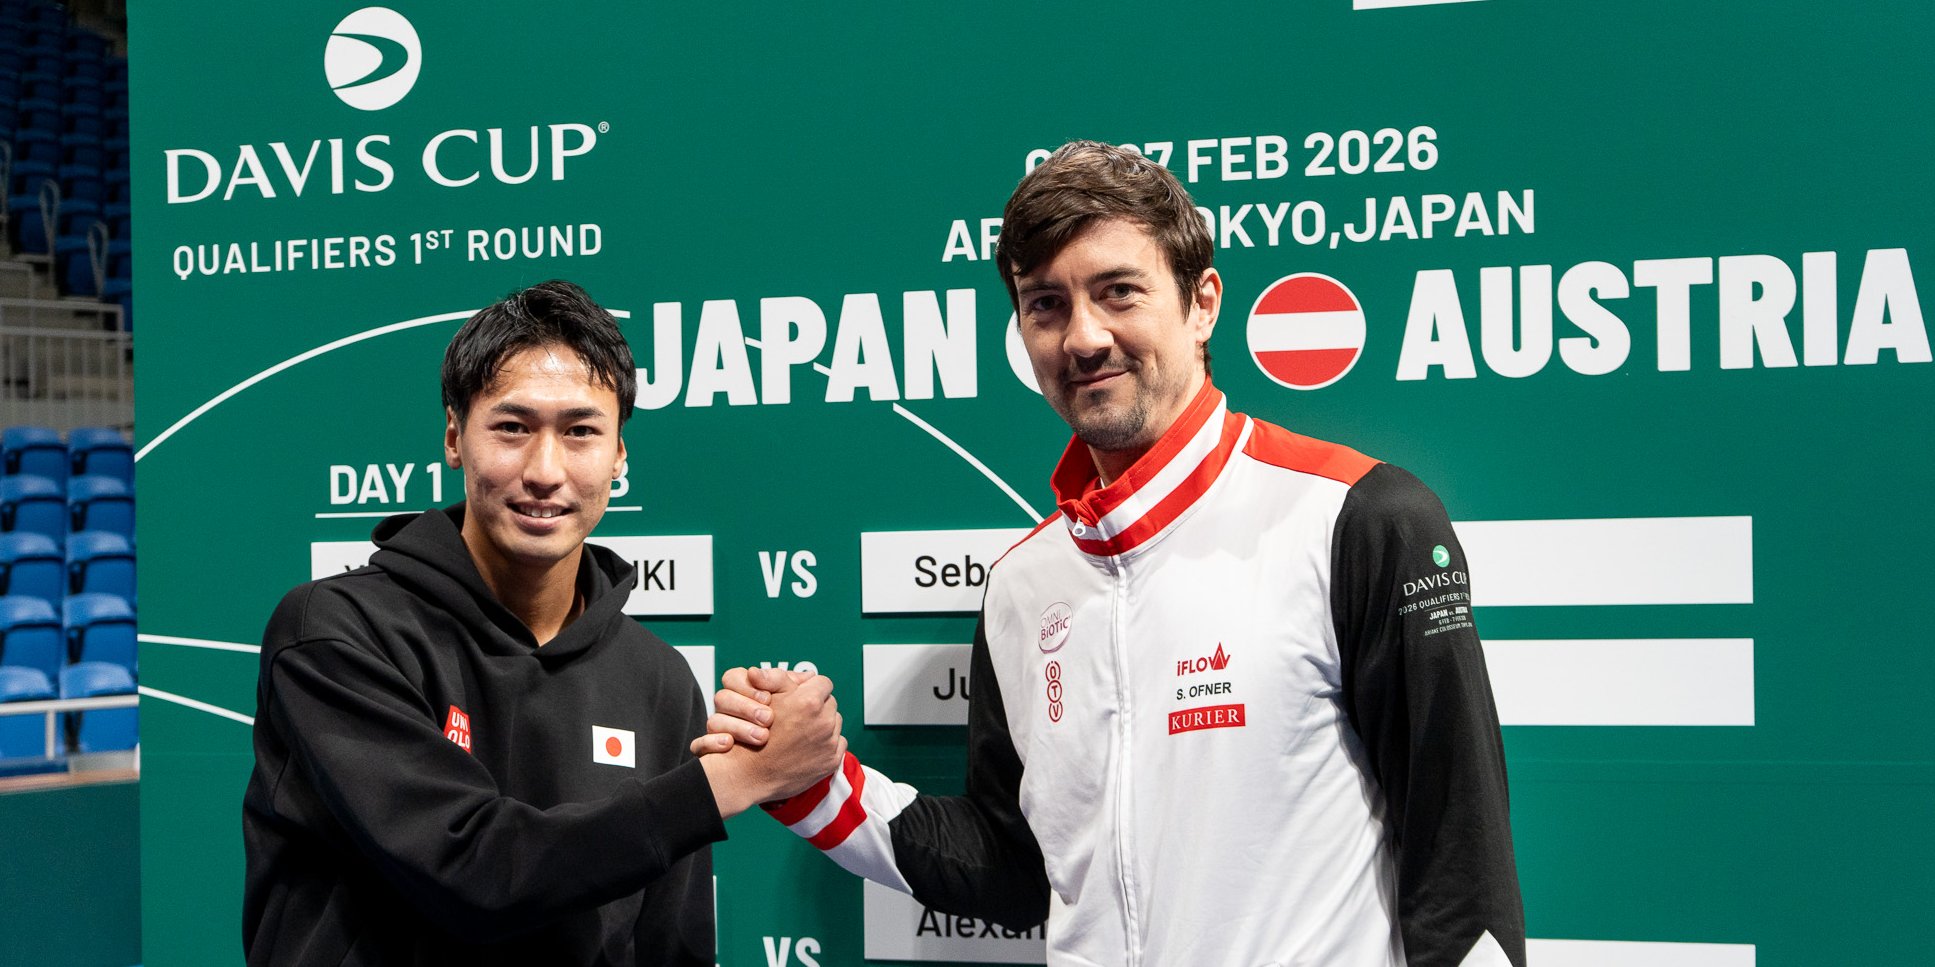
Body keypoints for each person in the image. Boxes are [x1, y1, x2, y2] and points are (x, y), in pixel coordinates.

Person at [700, 142, 1526, 966]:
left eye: (1118, 292)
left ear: (1202, 304)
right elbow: (1014, 867)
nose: (1084, 337)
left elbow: (1460, 871)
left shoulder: (1358, 516)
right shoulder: (1022, 584)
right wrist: (815, 784)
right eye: (1045, 305)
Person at [241, 281, 845, 966]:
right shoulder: (336, 632)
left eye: (580, 431)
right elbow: (472, 872)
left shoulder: (657, 678)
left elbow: (669, 945)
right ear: (454, 438)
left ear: (619, 455)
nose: (545, 470)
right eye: (513, 427)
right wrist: (731, 780)